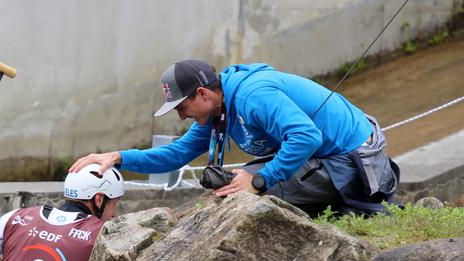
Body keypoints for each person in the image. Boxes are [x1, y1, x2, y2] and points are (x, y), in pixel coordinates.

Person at [70, 59, 399, 216]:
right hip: (323, 159)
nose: (180, 115)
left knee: (240, 192)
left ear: (201, 93)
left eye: (181, 107)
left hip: (353, 159)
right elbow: (177, 155)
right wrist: (118, 157)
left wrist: (259, 182)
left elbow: (306, 137)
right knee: (230, 184)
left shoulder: (254, 97)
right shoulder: (218, 109)